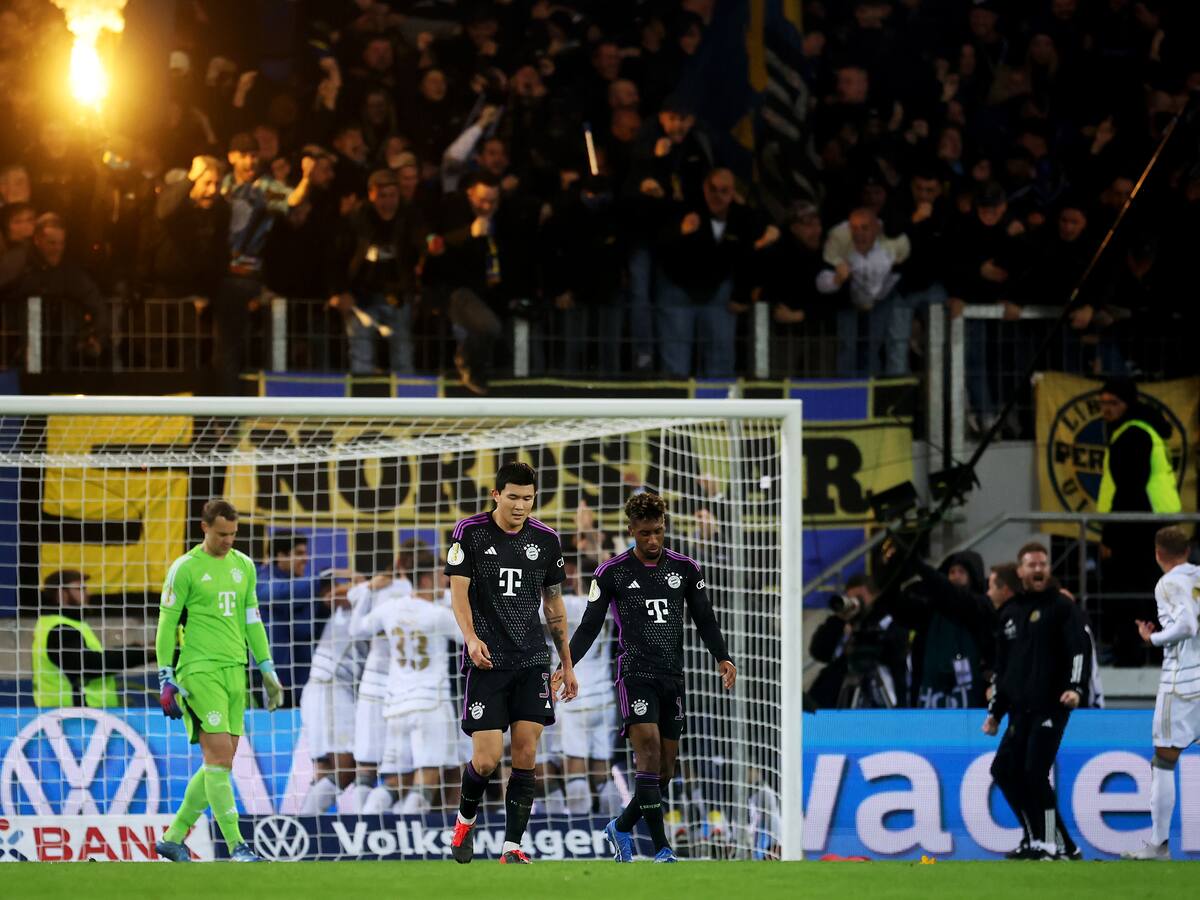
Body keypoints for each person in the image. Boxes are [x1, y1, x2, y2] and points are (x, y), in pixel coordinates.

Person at [559, 491, 736, 863]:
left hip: (672, 677)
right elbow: (590, 625)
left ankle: (621, 826)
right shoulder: (612, 572)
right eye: (644, 534)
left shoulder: (685, 568)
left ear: (664, 526)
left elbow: (704, 617)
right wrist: (567, 663)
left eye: (657, 531)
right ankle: (662, 848)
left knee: (665, 771)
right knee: (649, 754)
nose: (652, 540)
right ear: (631, 531)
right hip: (634, 675)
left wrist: (722, 656)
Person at [445, 460, 578, 865]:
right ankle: (464, 822)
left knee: (525, 754)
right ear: (496, 495)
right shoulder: (469, 533)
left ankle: (512, 846)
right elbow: (458, 594)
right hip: (488, 660)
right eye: (513, 497)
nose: (520, 506)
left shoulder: (546, 540)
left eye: (528, 498)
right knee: (486, 760)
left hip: (533, 660)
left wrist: (567, 662)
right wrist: (471, 638)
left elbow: (553, 605)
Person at [153, 499, 283, 863]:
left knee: (220, 763)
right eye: (222, 534)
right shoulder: (185, 568)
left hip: (234, 670)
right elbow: (166, 623)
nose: (228, 540)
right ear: (204, 527)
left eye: (233, 534)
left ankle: (173, 838)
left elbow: (252, 620)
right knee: (219, 758)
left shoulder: (244, 566)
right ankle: (237, 845)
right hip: (199, 670)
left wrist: (267, 668)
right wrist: (165, 674)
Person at [984, 542, 1091, 861]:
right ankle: (1050, 842)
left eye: (1043, 563)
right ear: (1020, 571)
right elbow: (1004, 668)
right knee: (1003, 770)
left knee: (1034, 772)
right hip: (1020, 709)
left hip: (1051, 705)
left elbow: (1079, 649)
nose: (1038, 569)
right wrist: (995, 712)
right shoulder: (1011, 614)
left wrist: (1075, 687)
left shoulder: (1061, 607)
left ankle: (1047, 843)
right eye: (1031, 564)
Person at [348, 570, 463, 815]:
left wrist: (367, 591)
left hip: (396, 707)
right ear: (425, 579)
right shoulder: (438, 615)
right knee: (427, 778)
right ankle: (411, 834)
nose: (444, 581)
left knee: (395, 782)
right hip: (430, 705)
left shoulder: (391, 608)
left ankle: (363, 826)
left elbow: (356, 629)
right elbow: (470, 637)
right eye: (439, 576)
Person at [1123, 526, 1200, 860]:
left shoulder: (1168, 582)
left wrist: (1152, 639)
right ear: (1187, 550)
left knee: (1165, 759)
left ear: (1158, 554)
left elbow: (1187, 625)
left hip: (1183, 682)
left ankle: (1159, 844)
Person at [1097, 376, 1183, 666]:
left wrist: (1109, 536)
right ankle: (1153, 652)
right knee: (1151, 592)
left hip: (1135, 528)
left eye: (1113, 403)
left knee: (1128, 594)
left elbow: (1129, 488)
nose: (1106, 409)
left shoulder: (1131, 434)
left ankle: (1130, 654)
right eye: (1102, 403)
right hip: (1151, 524)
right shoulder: (1142, 429)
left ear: (1127, 404)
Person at [548, 560, 618, 816]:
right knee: (602, 772)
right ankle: (613, 825)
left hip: (574, 699)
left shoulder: (571, 606)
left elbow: (541, 613)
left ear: (578, 578)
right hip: (605, 699)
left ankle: (578, 828)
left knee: (575, 768)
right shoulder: (609, 607)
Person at [344, 560, 414, 812]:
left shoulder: (378, 589)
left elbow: (354, 623)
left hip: (374, 684)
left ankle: (361, 825)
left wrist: (369, 587)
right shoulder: (418, 594)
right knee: (402, 772)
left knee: (366, 765)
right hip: (404, 687)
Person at [31, 570, 152, 708]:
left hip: (82, 713)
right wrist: (144, 652)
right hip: (73, 714)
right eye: (80, 589)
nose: (86, 593)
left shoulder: (68, 624)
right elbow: (90, 664)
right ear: (61, 594)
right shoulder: (60, 628)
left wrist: (140, 649)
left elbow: (96, 657)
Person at [297, 573, 363, 815]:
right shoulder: (351, 606)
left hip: (323, 691)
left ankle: (304, 827)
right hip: (330, 691)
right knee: (346, 770)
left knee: (324, 771)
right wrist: (359, 579)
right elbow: (333, 596)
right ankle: (303, 824)